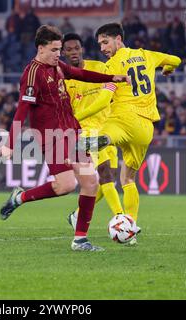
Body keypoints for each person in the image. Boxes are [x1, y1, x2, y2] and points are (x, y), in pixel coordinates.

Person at [0, 25, 130, 252]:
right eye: (54, 49)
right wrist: (10, 144)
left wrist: (112, 78)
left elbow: (80, 74)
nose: (59, 54)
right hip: (53, 137)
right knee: (69, 185)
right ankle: (21, 198)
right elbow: (22, 110)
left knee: (86, 183)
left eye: (60, 49)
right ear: (41, 48)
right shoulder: (32, 73)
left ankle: (79, 239)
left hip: (72, 132)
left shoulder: (56, 66)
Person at [76, 23, 181, 244]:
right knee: (128, 178)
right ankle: (130, 228)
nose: (103, 48)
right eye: (100, 44)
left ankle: (102, 140)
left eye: (106, 42)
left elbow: (104, 100)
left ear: (118, 39)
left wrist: (77, 117)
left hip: (122, 120)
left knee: (106, 135)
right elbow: (176, 59)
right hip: (146, 128)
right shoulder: (147, 55)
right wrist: (168, 69)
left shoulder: (112, 66)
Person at [61, 33, 124, 229]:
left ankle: (77, 215)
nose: (73, 52)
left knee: (109, 182)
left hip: (107, 128)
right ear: (63, 52)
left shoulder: (98, 68)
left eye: (76, 48)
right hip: (85, 131)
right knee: (105, 173)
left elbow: (112, 92)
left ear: (82, 49)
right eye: (69, 49)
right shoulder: (63, 80)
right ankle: (122, 220)